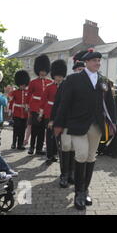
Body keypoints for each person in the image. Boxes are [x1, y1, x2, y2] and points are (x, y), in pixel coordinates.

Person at [54, 49, 116, 210]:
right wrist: (58, 124)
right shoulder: (73, 79)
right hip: (77, 124)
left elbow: (110, 105)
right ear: (87, 62)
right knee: (81, 154)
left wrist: (113, 124)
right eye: (94, 60)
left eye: (99, 60)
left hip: (97, 126)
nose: (98, 63)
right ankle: (78, 193)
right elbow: (64, 103)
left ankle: (85, 190)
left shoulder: (104, 81)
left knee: (90, 157)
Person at [51, 51, 86, 188]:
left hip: (79, 123)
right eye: (78, 69)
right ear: (74, 70)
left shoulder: (88, 85)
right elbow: (58, 103)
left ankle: (71, 173)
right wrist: (53, 120)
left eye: (82, 70)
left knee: (75, 148)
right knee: (65, 146)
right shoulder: (66, 83)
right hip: (65, 121)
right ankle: (64, 174)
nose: (80, 71)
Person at [38, 59, 67, 165]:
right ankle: (49, 155)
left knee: (59, 135)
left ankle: (55, 154)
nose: (59, 78)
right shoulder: (49, 87)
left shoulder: (66, 87)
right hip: (49, 112)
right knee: (50, 135)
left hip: (62, 113)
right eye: (57, 76)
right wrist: (41, 113)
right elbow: (43, 100)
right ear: (54, 76)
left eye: (61, 76)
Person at [27, 54, 53, 155]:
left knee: (42, 129)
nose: (43, 72)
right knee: (35, 128)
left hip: (45, 108)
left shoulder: (49, 82)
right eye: (41, 70)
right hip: (35, 107)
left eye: (44, 71)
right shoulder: (33, 82)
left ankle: (39, 148)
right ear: (38, 70)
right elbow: (29, 95)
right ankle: (31, 147)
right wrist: (28, 106)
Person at [8, 70, 30, 150]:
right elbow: (11, 102)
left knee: (22, 130)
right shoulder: (14, 92)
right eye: (21, 85)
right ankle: (14, 143)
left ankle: (20, 145)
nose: (22, 86)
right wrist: (10, 111)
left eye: (24, 85)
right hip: (16, 113)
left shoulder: (28, 92)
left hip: (25, 113)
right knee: (16, 129)